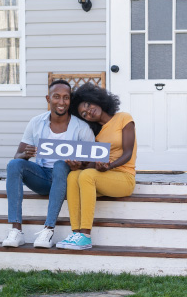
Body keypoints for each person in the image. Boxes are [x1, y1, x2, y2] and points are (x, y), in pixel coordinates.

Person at [2, 79, 95, 248]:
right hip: (42, 176)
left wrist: (78, 166)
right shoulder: (36, 122)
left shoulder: (82, 128)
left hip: (66, 178)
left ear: (70, 100)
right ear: (48, 98)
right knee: (13, 165)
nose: (61, 102)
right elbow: (17, 155)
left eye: (66, 98)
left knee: (60, 165)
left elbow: (92, 164)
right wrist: (25, 154)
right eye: (56, 97)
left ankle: (48, 230)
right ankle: (16, 230)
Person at [56, 83, 137, 250]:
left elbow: (128, 153)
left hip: (124, 177)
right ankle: (76, 233)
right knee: (73, 176)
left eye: (88, 105)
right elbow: (93, 163)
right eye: (84, 114)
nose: (89, 112)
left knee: (87, 176)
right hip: (105, 177)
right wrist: (77, 165)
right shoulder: (96, 135)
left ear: (96, 100)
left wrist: (109, 166)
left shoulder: (124, 118)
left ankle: (85, 236)